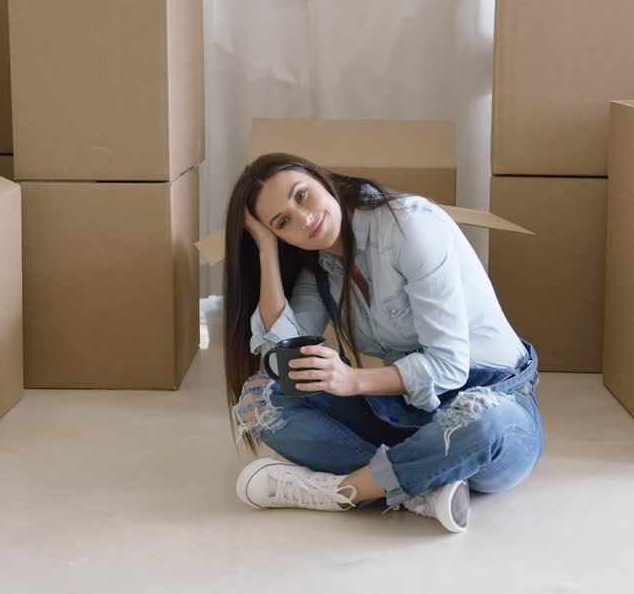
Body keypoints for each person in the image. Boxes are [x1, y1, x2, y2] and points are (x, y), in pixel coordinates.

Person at [223, 152, 543, 533]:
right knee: (263, 400)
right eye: (283, 222)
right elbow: (283, 358)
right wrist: (266, 251)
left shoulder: (409, 225)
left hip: (499, 401)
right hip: (413, 413)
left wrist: (352, 380)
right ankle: (421, 488)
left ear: (321, 178)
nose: (304, 220)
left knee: (485, 423)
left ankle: (344, 491)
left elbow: (449, 367)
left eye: (302, 195)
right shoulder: (320, 267)